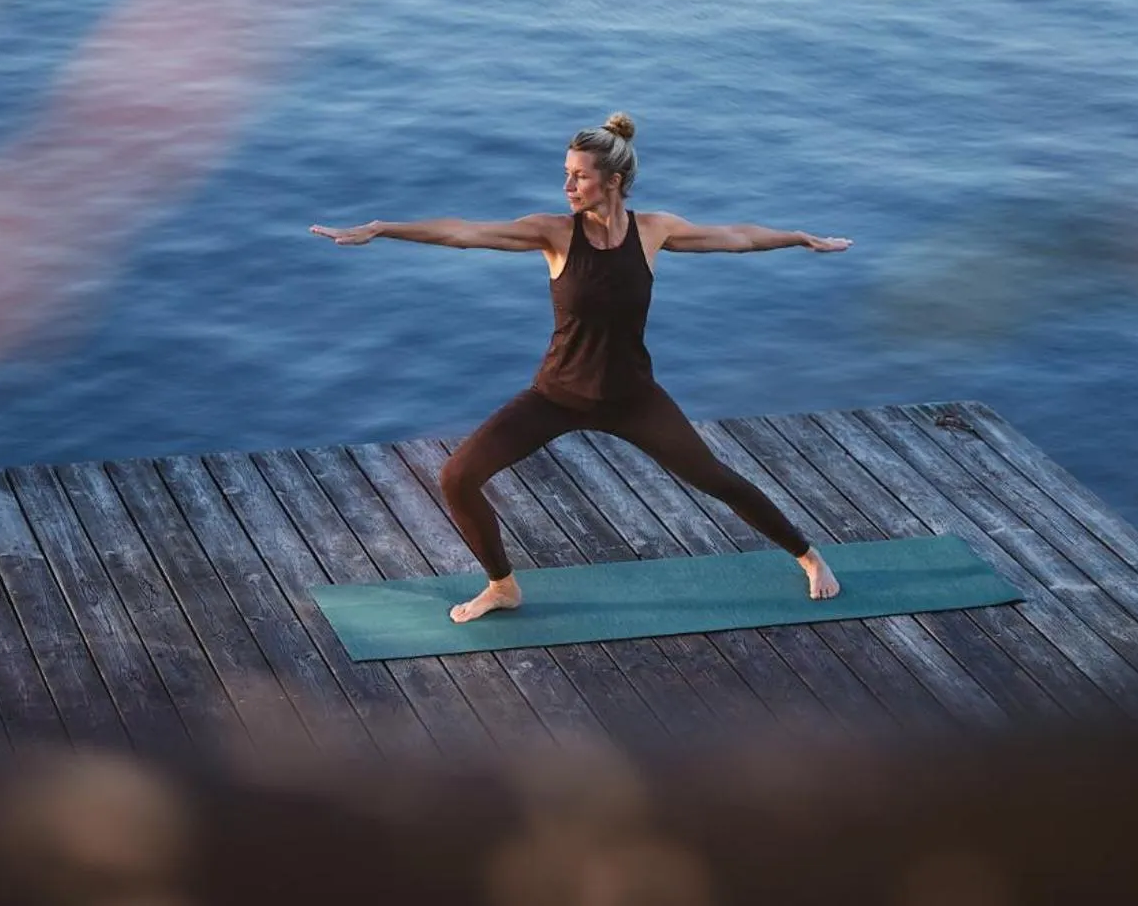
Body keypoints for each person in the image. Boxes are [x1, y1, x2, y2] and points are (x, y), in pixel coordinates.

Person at [310, 112, 847, 623]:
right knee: (457, 476)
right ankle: (502, 586)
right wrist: (383, 228)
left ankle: (807, 555)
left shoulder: (655, 231)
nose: (567, 187)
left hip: (634, 398)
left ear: (612, 181)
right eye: (565, 175)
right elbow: (464, 232)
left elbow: (738, 238)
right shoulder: (554, 233)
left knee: (717, 479)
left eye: (579, 177)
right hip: (557, 395)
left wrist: (799, 238)